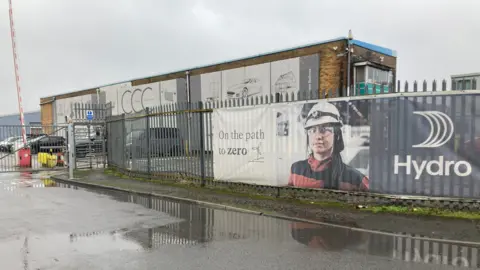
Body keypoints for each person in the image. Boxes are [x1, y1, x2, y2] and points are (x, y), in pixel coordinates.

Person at [288, 101, 369, 191]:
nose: (318, 136)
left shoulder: (356, 180)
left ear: (337, 134)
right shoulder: (296, 170)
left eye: (324, 129)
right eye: (312, 130)